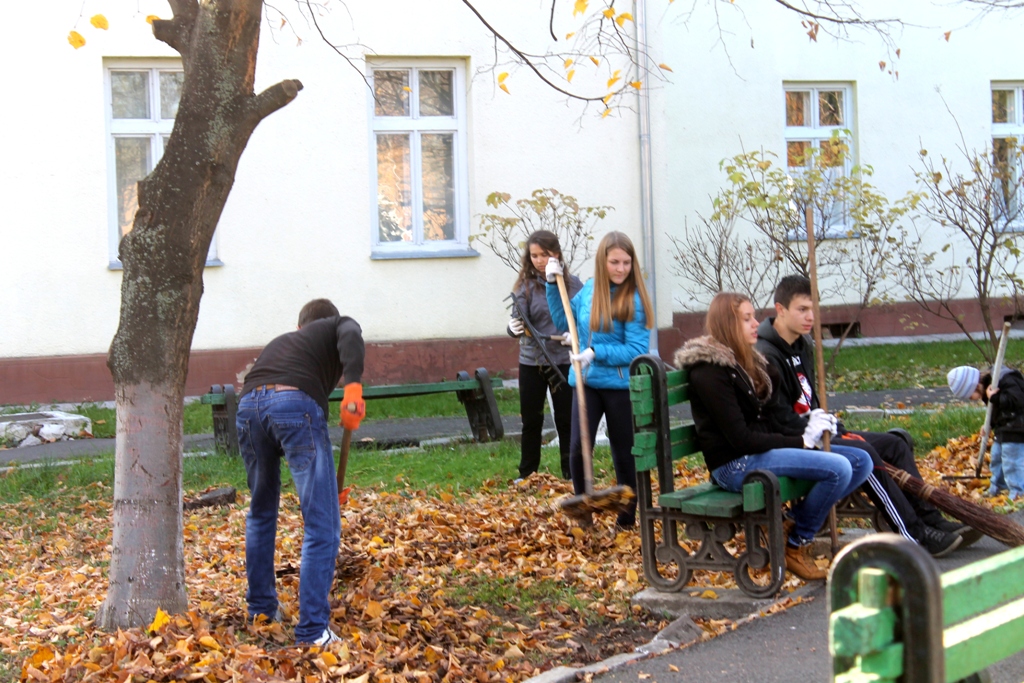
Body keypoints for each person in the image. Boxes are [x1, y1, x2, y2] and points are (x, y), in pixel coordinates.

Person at [755, 275, 970, 556]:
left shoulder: (802, 345)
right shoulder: (766, 353)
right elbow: (778, 417)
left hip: (821, 429)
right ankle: (915, 534)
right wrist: (814, 426)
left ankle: (930, 519)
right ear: (780, 309)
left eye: (813, 308)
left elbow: (810, 399)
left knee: (896, 444)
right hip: (797, 441)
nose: (811, 316)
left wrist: (830, 422)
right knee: (863, 453)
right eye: (802, 309)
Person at [675, 292, 873, 580]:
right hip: (734, 465)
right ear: (728, 324)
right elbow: (741, 439)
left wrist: (806, 425)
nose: (756, 323)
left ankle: (789, 524)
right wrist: (802, 442)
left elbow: (768, 421)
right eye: (746, 319)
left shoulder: (748, 362)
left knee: (861, 460)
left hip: (759, 455)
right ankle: (797, 542)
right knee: (839, 467)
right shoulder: (709, 372)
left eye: (753, 316)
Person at [236, 298, 366, 647]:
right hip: (294, 404)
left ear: (299, 327)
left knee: (261, 513)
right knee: (323, 524)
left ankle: (261, 610)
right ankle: (312, 631)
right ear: (326, 324)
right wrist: (353, 387)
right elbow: (351, 331)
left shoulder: (284, 342)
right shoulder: (337, 325)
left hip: (249, 407)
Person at [543, 231, 652, 528]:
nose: (621, 269)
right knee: (578, 447)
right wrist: (553, 285)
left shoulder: (635, 299)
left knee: (623, 450)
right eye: (614, 262)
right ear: (602, 262)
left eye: (627, 263)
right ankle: (583, 512)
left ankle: (626, 519)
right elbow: (565, 320)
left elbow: (637, 350)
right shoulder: (590, 290)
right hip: (587, 382)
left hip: (618, 386)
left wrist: (595, 351)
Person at [507, 230, 583, 480]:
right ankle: (528, 473)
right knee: (531, 420)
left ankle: (571, 473)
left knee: (566, 420)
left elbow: (583, 318)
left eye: (544, 255)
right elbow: (518, 321)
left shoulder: (572, 285)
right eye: (534, 256)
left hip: (563, 361)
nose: (539, 260)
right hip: (533, 361)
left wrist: (578, 336)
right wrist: (512, 328)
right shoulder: (525, 287)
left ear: (556, 254)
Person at [948, 364, 1024, 500]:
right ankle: (999, 486)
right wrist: (989, 424)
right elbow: (996, 410)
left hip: (1018, 427)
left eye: (970, 396)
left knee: (1011, 461)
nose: (971, 399)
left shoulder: (1005, 380)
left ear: (976, 386)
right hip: (1004, 427)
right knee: (996, 457)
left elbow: (1017, 401)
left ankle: (1018, 492)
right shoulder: (987, 390)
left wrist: (994, 397)